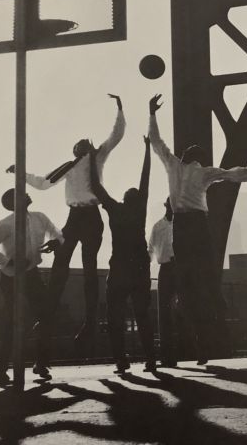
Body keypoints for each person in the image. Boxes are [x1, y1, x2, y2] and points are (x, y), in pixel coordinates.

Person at [148, 94, 247, 364]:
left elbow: (157, 143)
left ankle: (195, 303)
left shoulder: (175, 167)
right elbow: (235, 173)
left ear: (188, 156)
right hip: (198, 222)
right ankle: (213, 295)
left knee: (189, 275)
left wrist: (152, 114)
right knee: (206, 266)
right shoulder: (205, 172)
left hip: (184, 225)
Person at [6, 94, 125, 350]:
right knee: (61, 264)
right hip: (75, 217)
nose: (83, 145)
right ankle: (48, 315)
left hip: (91, 216)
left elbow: (115, 137)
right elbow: (43, 183)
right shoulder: (69, 167)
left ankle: (89, 322)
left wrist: (120, 110)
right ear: (76, 150)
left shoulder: (96, 159)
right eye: (80, 144)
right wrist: (21, 172)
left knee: (89, 270)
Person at [0, 189, 64, 386]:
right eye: (20, 193)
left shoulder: (40, 218)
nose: (26, 194)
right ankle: (0, 372)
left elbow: (58, 234)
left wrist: (56, 242)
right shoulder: (5, 224)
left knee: (47, 316)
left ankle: (41, 363)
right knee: (12, 323)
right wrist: (8, 262)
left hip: (32, 274)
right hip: (10, 278)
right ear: (12, 202)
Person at [89, 137, 156, 374]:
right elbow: (145, 178)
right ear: (138, 199)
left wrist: (91, 161)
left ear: (124, 198)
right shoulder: (140, 210)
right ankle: (150, 359)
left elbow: (96, 187)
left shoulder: (115, 209)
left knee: (114, 318)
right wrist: (148, 150)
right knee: (142, 315)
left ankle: (121, 360)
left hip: (119, 268)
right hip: (139, 267)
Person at [148, 197, 178, 367]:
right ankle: (168, 356)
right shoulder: (158, 227)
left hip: (180, 267)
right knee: (164, 314)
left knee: (186, 309)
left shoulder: (182, 225)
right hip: (166, 268)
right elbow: (150, 249)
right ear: (166, 206)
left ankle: (197, 349)